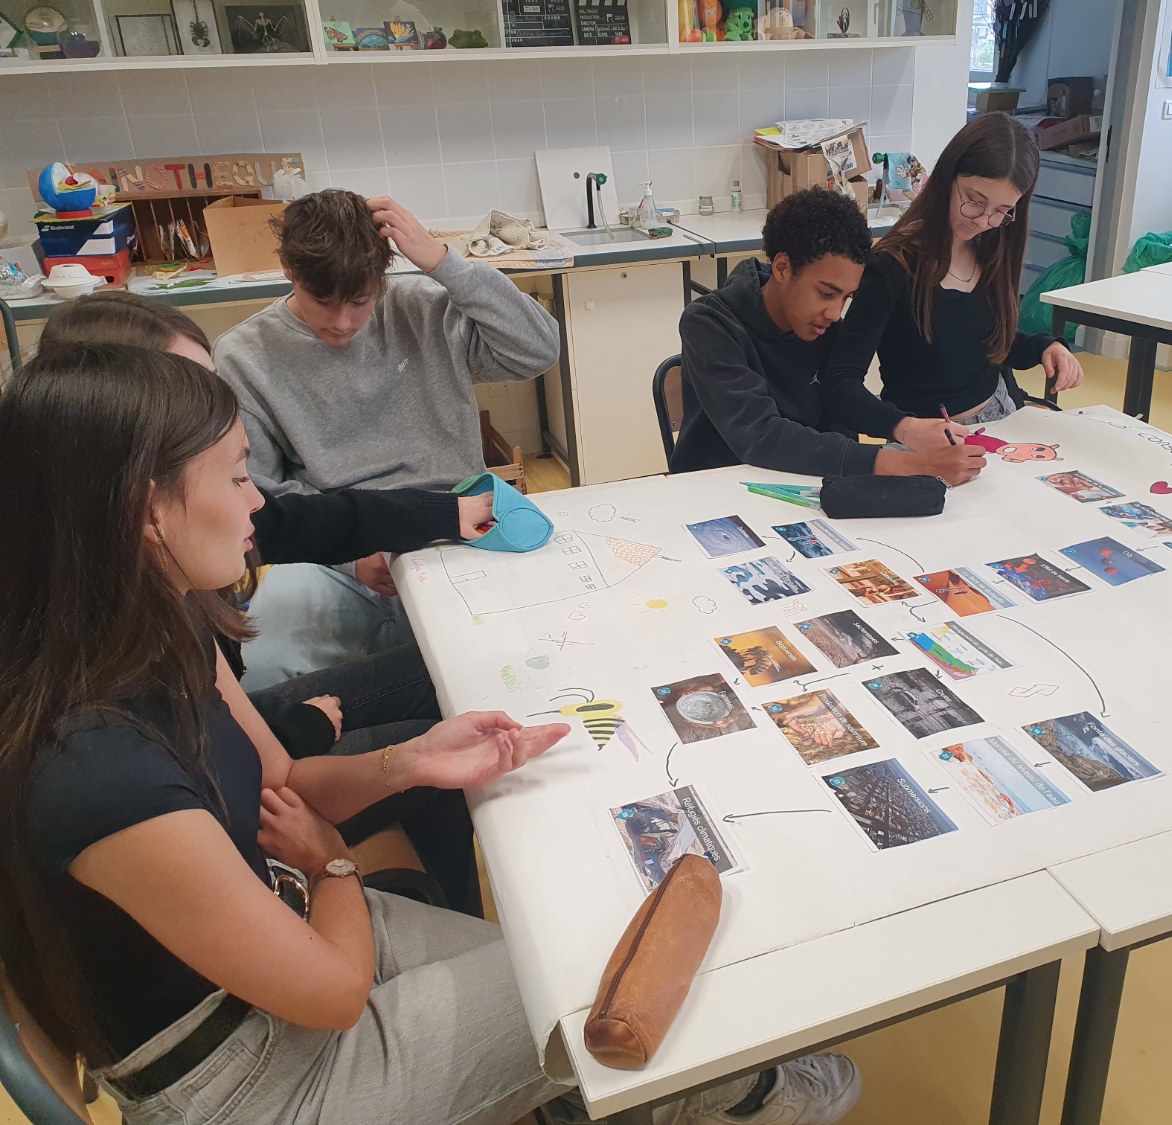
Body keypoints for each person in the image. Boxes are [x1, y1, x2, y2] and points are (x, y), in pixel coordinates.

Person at [0, 343, 861, 1125]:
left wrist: (409, 761)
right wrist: (333, 864)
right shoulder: (95, 770)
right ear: (146, 511)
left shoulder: (165, 615)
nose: (257, 498)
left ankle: (637, 1093)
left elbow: (284, 781)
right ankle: (751, 1097)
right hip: (250, 1076)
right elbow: (333, 993)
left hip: (283, 930)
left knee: (586, 949)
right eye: (234, 478)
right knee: (611, 973)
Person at [36, 290, 505, 915]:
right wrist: (331, 864)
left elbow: (254, 752)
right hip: (261, 840)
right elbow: (233, 782)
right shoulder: (105, 741)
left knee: (437, 694)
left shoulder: (166, 601)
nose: (254, 498)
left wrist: (444, 512)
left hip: (251, 759)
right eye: (191, 400)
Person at [214, 189, 560, 690]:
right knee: (264, 672)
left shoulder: (422, 307)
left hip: (457, 521)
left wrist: (445, 265)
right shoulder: (244, 355)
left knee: (527, 661)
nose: (341, 323)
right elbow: (259, 490)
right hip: (335, 543)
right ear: (288, 268)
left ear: (382, 276)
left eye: (359, 302)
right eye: (322, 302)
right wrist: (350, 555)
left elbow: (539, 350)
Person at [670, 188, 986, 486]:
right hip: (715, 490)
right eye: (825, 293)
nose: (835, 313)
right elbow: (760, 435)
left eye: (846, 297)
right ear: (782, 268)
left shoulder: (827, 332)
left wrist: (905, 430)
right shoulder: (711, 324)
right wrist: (912, 464)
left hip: (799, 485)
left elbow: (841, 426)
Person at [823, 114, 1086, 432]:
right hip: (927, 436)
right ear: (947, 177)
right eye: (975, 201)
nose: (983, 221)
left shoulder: (991, 248)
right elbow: (841, 382)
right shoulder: (892, 267)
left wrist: (1045, 346)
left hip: (1001, 416)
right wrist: (904, 428)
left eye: (1002, 211)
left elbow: (988, 341)